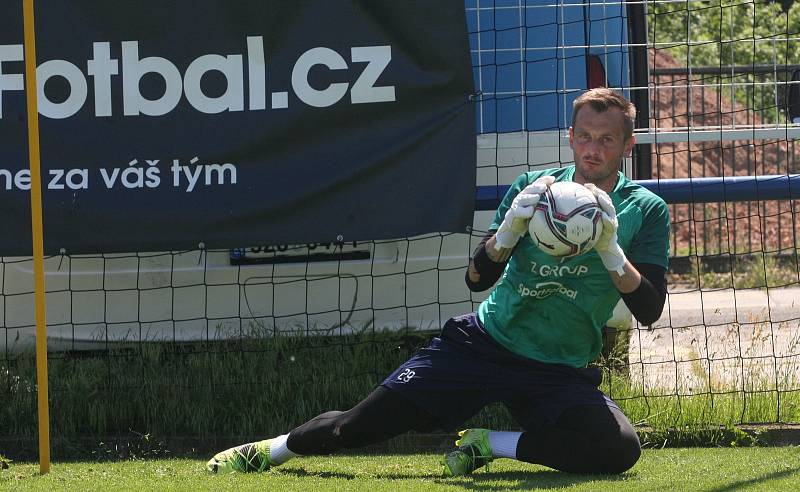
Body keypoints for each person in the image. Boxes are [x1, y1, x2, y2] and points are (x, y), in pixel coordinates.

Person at [206, 88, 670, 476]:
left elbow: (649, 310)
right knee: (357, 427)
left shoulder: (645, 210)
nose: (593, 149)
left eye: (607, 140)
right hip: (484, 345)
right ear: (570, 137)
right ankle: (271, 450)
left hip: (559, 368)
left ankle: (492, 444)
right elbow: (476, 279)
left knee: (619, 451)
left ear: (628, 146)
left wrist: (611, 251)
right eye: (585, 137)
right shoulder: (536, 189)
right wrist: (507, 231)